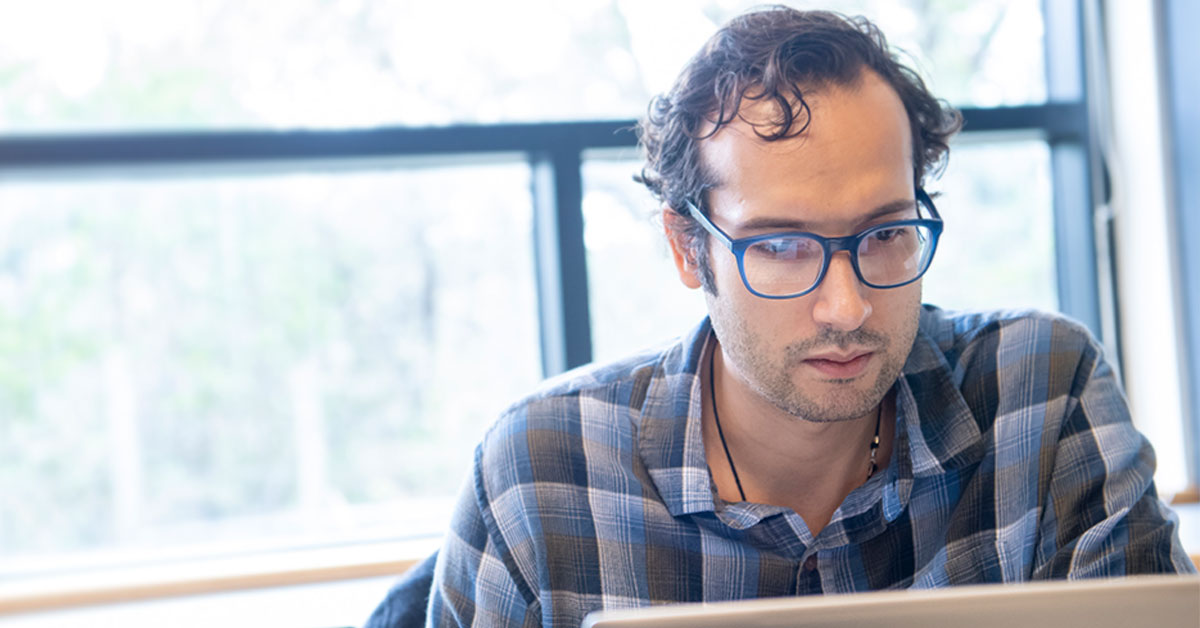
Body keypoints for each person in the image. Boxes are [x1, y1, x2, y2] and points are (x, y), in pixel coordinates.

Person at [422, 7, 1196, 627]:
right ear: (689, 249)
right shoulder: (539, 472)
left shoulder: (1041, 390)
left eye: (887, 234)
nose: (847, 307)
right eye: (785, 246)